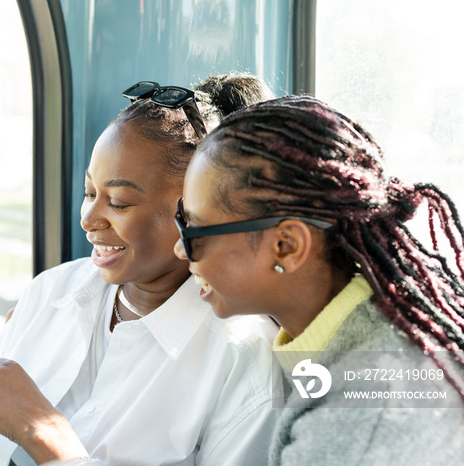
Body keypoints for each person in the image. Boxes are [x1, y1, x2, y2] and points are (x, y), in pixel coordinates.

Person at [0, 72, 281, 466]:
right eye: (89, 192)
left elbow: (31, 437)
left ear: (193, 212)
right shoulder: (51, 291)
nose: (88, 218)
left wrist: (45, 435)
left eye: (118, 202)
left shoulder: (241, 359)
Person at [174, 94, 464, 464]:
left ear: (286, 246)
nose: (180, 251)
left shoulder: (359, 425)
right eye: (180, 218)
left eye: (194, 231)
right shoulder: (366, 334)